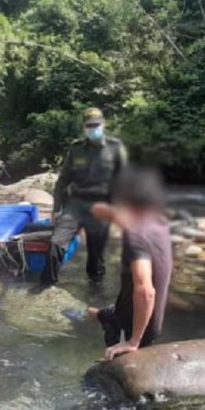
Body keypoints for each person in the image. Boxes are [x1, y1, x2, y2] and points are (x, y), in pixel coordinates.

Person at [87, 167, 172, 360]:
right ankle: (98, 315)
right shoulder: (158, 221)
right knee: (101, 312)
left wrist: (133, 341)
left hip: (135, 323)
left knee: (108, 365)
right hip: (125, 309)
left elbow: (145, 291)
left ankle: (121, 337)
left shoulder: (136, 236)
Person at [42, 107, 127, 286]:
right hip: (76, 204)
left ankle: (95, 289)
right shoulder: (76, 149)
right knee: (56, 243)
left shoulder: (115, 147)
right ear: (84, 127)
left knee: (96, 255)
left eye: (96, 125)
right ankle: (47, 285)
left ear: (103, 124)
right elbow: (62, 180)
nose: (93, 128)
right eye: (89, 125)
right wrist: (56, 209)